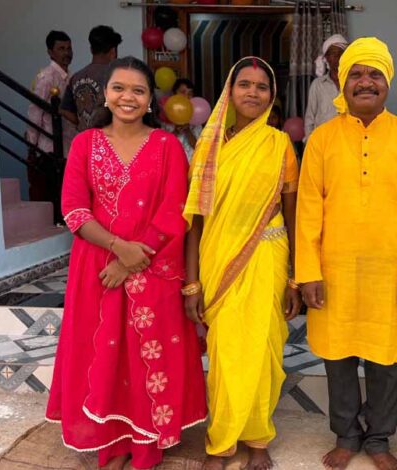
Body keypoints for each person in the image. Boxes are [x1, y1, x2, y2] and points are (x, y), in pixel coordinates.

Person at [46, 56, 207, 470]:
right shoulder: (85, 144)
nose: (128, 97)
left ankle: (146, 444)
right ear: (106, 94)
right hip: (98, 270)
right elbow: (74, 209)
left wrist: (132, 259)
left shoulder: (167, 146)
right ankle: (111, 443)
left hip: (152, 268)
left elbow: (176, 211)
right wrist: (118, 249)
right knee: (104, 357)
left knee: (145, 358)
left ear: (151, 99)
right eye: (119, 88)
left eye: (138, 90)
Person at [296, 37, 397, 470]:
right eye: (355, 74)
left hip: (391, 272)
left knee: (387, 359)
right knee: (337, 356)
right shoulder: (322, 138)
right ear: (342, 82)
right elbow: (307, 210)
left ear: (388, 82)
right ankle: (346, 434)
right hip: (334, 270)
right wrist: (308, 271)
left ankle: (378, 437)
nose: (365, 82)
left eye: (375, 74)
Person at [182, 56, 303, 470]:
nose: (253, 92)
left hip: (268, 256)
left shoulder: (279, 145)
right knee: (225, 355)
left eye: (262, 86)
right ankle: (221, 442)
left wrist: (294, 278)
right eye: (244, 84)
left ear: (272, 96)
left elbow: (293, 215)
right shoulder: (207, 145)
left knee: (264, 350)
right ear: (229, 93)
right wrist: (191, 283)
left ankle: (257, 437)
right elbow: (195, 221)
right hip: (218, 259)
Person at [26, 30, 76, 201]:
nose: (67, 53)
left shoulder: (70, 77)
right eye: (61, 48)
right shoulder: (47, 77)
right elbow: (35, 111)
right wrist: (32, 146)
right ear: (50, 52)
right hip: (49, 148)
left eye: (69, 48)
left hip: (68, 147)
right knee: (51, 196)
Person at [60, 25, 122, 131]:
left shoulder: (76, 77)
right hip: (108, 137)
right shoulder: (116, 77)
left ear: (91, 49)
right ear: (113, 52)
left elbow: (64, 110)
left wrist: (83, 123)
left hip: (85, 138)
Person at [303, 34, 348, 140]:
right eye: (333, 54)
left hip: (347, 141)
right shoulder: (317, 85)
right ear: (326, 57)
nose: (337, 57)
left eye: (341, 53)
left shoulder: (352, 83)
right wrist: (310, 142)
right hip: (322, 141)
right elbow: (310, 118)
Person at [163, 78, 199, 161]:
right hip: (172, 164)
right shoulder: (165, 119)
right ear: (174, 94)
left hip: (191, 164)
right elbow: (162, 146)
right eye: (183, 92)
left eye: (190, 93)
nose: (186, 96)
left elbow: (199, 148)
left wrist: (188, 131)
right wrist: (176, 131)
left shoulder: (197, 120)